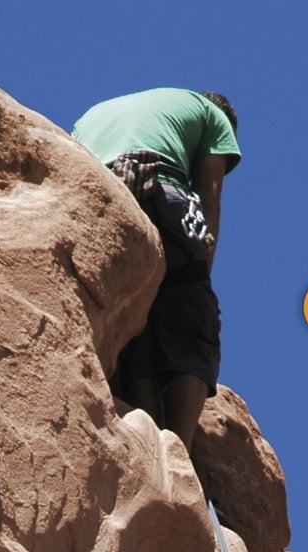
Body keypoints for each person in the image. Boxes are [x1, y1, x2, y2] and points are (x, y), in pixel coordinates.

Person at [73, 88, 241, 448]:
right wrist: (199, 273)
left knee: (136, 319)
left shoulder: (97, 112)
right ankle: (177, 450)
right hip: (157, 185)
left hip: (94, 196)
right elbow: (209, 196)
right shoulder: (214, 115)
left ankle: (146, 427)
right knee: (193, 319)